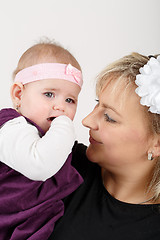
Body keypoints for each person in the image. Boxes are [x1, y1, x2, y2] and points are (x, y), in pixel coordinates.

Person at [49, 53, 160, 240]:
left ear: (156, 144)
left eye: (109, 117)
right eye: (96, 104)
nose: (86, 121)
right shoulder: (60, 162)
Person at [0, 41, 83, 239]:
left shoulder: (50, 138)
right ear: (18, 94)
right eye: (49, 94)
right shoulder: (10, 127)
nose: (60, 106)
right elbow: (39, 164)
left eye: (69, 100)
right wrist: (64, 125)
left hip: (34, 220)